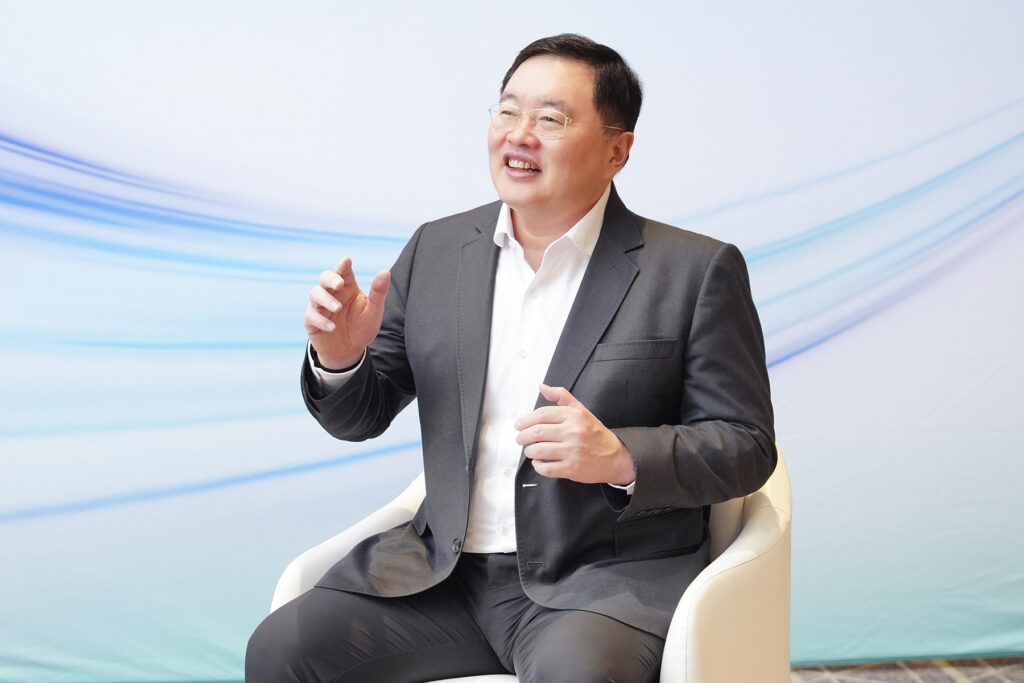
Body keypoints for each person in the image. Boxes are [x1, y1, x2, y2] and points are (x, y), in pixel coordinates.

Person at [246, 33, 776, 683]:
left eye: (550, 118)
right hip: (438, 575)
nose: (519, 134)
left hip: (598, 585)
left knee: (578, 676)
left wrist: (620, 455)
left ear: (617, 150)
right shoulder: (438, 250)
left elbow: (746, 444)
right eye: (507, 111)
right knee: (281, 650)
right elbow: (361, 416)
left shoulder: (693, 269)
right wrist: (340, 359)